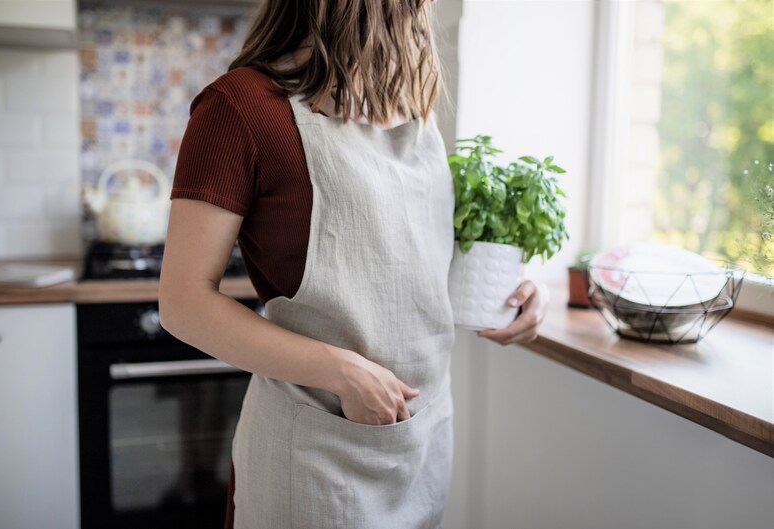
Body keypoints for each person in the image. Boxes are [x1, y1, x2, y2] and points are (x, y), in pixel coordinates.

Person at [158, 0, 550, 527]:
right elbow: (183, 303)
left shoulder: (414, 114)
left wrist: (516, 291)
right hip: (314, 457)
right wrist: (341, 372)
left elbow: (408, 262)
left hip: (420, 447)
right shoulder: (241, 108)